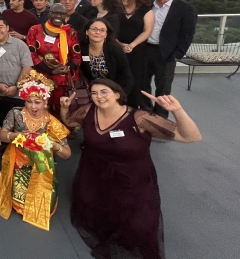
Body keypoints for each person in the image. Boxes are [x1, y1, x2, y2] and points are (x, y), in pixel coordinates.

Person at [61, 79, 201, 259]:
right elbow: (70, 122)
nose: (98, 97)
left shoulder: (140, 118)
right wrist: (65, 108)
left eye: (104, 92)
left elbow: (190, 137)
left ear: (117, 94)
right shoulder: (89, 111)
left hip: (132, 181)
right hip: (94, 175)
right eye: (94, 93)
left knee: (136, 227)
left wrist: (177, 110)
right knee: (99, 213)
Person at [0, 71, 71, 230]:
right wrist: (16, 135)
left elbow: (67, 154)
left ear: (45, 102)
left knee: (45, 203)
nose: (33, 106)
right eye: (29, 101)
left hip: (42, 165)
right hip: (18, 162)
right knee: (19, 200)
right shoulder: (15, 113)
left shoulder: (51, 122)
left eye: (38, 102)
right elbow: (2, 136)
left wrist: (55, 146)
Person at [144, 0, 197, 117]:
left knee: (163, 89)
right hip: (144, 50)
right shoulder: (147, 5)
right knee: (142, 85)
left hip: (166, 54)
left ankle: (160, 119)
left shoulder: (184, 8)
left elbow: (187, 34)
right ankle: (146, 114)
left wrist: (176, 55)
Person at [26, 4, 82, 118]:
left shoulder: (70, 33)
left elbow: (76, 56)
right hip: (40, 78)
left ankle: (59, 133)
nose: (58, 16)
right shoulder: (35, 30)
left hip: (63, 80)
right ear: (49, 13)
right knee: (40, 107)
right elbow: (31, 54)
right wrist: (50, 71)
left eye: (61, 14)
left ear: (66, 16)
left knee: (60, 108)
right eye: (54, 12)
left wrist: (68, 67)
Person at [0, 17, 33, 122]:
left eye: (0, 27)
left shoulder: (20, 45)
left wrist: (17, 86)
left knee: (18, 126)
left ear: (7, 28)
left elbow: (27, 67)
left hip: (18, 96)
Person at [118, 0, 155, 109]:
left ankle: (138, 109)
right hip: (118, 49)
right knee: (120, 79)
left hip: (138, 51)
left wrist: (132, 45)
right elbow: (110, 30)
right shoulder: (118, 10)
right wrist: (120, 44)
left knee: (137, 81)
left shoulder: (145, 10)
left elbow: (147, 31)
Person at [80, 19, 134, 95]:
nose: (98, 32)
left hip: (115, 90)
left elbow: (126, 76)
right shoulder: (82, 49)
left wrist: (119, 96)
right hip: (93, 90)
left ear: (106, 34)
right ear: (87, 32)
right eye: (94, 29)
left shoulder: (115, 50)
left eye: (102, 30)